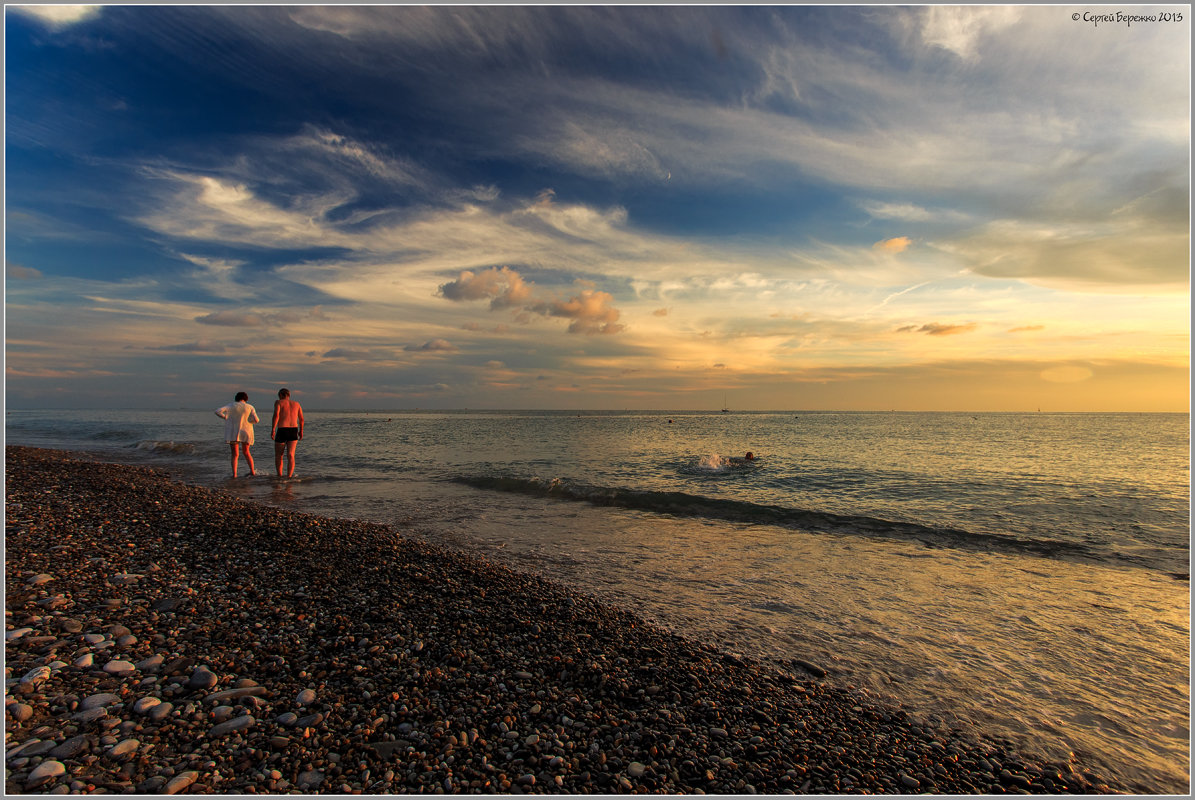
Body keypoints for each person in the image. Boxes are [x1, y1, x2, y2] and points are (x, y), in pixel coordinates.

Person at [215, 392, 259, 477]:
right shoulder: (250, 407)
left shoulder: (231, 405)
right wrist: (250, 422)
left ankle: (235, 474)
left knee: (235, 454)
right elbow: (256, 420)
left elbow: (217, 411)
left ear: (236, 398)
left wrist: (225, 417)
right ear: (246, 399)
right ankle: (252, 471)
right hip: (246, 431)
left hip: (234, 432)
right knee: (246, 452)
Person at [271, 387, 305, 477]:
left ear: (281, 395)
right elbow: (301, 419)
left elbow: (276, 415)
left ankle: (279, 475)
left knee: (279, 455)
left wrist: (273, 429)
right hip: (293, 430)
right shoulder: (296, 404)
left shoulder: (278, 402)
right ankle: (289, 476)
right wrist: (301, 431)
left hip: (282, 429)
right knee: (290, 455)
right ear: (288, 395)